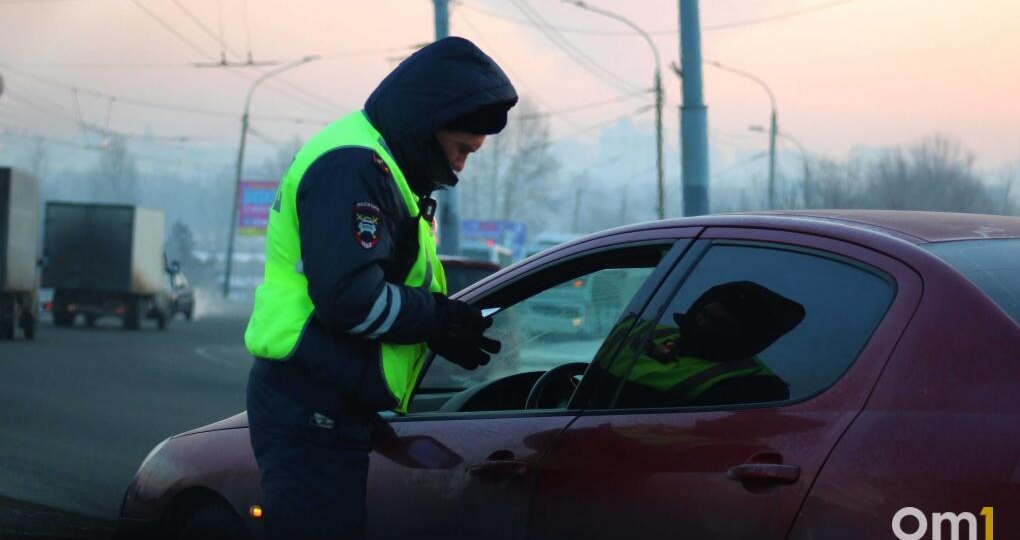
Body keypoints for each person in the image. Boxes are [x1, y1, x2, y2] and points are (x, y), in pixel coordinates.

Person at [243, 37, 517, 539]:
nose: (460, 166)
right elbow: (349, 299)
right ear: (427, 124)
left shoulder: (379, 166)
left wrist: (436, 324)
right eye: (460, 149)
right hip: (311, 406)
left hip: (327, 403)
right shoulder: (353, 167)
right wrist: (437, 319)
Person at [606, 281, 805, 408]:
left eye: (720, 323)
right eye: (704, 314)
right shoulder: (645, 330)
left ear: (745, 337)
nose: (702, 323)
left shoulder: (754, 387)